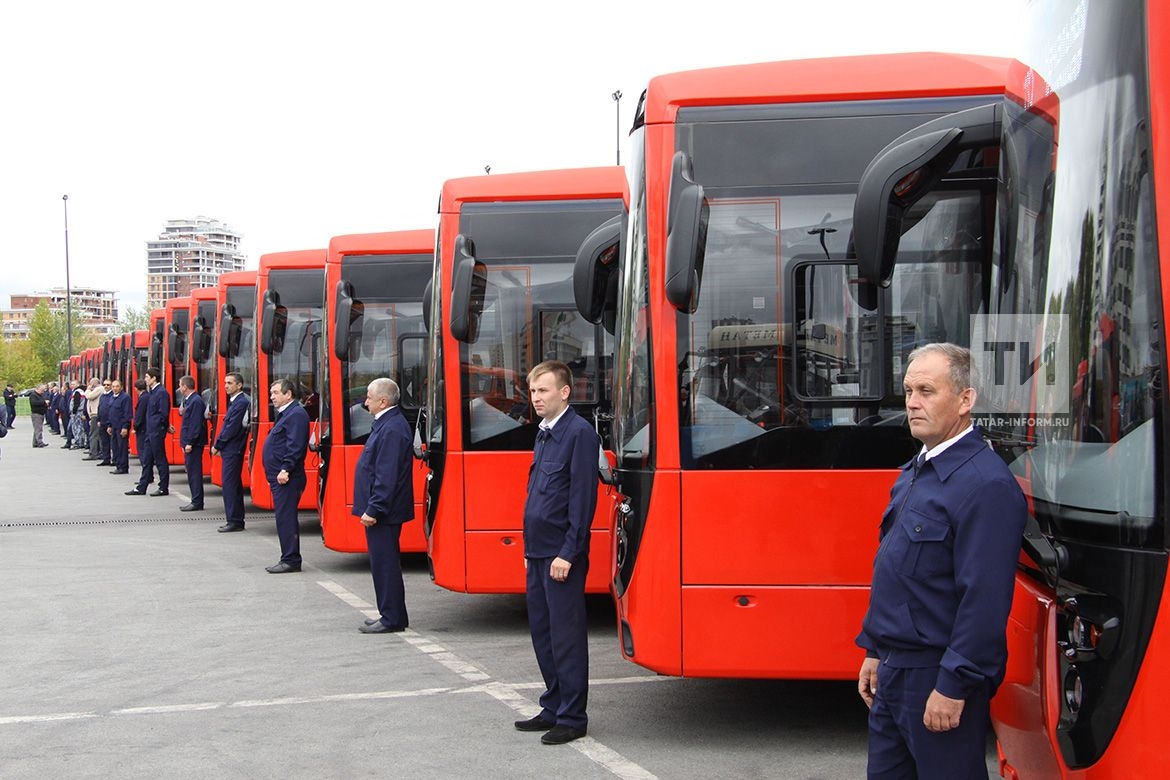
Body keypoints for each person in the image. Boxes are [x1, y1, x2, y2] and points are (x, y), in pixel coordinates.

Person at [856, 343, 1027, 779]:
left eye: (927, 390)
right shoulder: (918, 468)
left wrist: (953, 686)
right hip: (894, 672)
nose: (912, 402)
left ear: (965, 400)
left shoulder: (985, 484)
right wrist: (876, 650)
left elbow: (983, 602)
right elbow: (899, 575)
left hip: (935, 678)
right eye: (909, 390)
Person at [513, 360, 599, 746]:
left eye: (543, 391)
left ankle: (572, 716)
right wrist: (531, 549)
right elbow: (539, 495)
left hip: (562, 555)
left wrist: (569, 551)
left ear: (564, 392)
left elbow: (582, 500)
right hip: (539, 552)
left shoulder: (579, 434)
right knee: (543, 633)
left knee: (565, 635)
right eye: (533, 391)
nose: (536, 398)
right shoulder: (545, 433)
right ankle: (553, 704)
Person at [352, 378, 413, 633]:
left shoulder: (391, 428)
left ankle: (392, 618)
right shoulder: (387, 423)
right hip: (383, 511)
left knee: (385, 564)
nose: (365, 402)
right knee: (382, 563)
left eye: (368, 397)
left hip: (384, 513)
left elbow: (385, 475)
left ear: (383, 401)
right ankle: (389, 612)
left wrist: (373, 509)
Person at [262, 378, 310, 573]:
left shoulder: (296, 414)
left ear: (288, 394)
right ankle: (288, 557)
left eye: (275, 393)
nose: (271, 397)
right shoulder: (286, 414)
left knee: (286, 517)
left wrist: (285, 469)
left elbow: (295, 446)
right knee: (283, 517)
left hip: (287, 477)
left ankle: (290, 559)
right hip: (280, 476)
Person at [211, 372, 249, 532]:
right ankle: (236, 519)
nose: (226, 386)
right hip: (231, 448)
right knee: (232, 484)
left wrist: (218, 445)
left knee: (230, 485)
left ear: (239, 385)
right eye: (225, 382)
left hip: (233, 449)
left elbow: (231, 428)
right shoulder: (236, 402)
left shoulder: (240, 403)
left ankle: (234, 520)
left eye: (230, 383)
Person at [126, 368, 170, 497]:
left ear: (153, 378)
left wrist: (161, 427)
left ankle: (163, 487)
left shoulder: (161, 393)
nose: (145, 379)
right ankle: (142, 486)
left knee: (160, 460)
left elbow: (163, 413)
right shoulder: (153, 392)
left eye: (146, 377)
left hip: (155, 431)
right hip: (150, 432)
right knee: (147, 460)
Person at [177, 376, 207, 511]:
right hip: (189, 443)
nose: (179, 388)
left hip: (193, 444)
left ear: (185, 386)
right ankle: (195, 499)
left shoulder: (195, 401)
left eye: (180, 385)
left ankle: (197, 501)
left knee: (194, 472)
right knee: (191, 472)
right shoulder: (190, 400)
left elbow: (195, 425)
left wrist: (190, 442)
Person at [106, 379, 132, 475]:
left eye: (117, 386)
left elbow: (127, 413)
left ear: (121, 387)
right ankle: (118, 465)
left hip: (121, 426)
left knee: (122, 448)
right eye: (113, 386)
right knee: (115, 447)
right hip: (114, 426)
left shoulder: (125, 398)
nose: (115, 388)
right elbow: (111, 412)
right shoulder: (112, 397)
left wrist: (125, 427)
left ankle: (123, 467)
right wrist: (109, 425)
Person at [95, 379, 114, 466]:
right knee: (104, 442)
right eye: (105, 385)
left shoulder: (113, 395)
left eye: (108, 385)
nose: (106, 386)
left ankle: (114, 460)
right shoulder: (102, 396)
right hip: (102, 421)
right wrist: (98, 419)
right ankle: (106, 459)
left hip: (110, 422)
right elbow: (99, 408)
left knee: (112, 442)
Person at [83, 378, 103, 460]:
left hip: (95, 414)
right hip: (94, 414)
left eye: (90, 383)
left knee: (93, 434)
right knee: (97, 435)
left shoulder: (99, 389)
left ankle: (93, 453)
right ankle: (99, 451)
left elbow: (89, 396)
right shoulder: (98, 389)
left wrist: (87, 390)